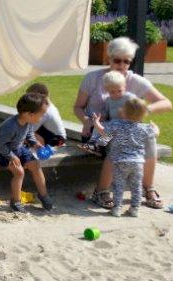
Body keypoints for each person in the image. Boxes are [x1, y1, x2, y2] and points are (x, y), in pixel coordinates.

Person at [73, 37, 172, 209]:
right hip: (97, 133)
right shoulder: (93, 78)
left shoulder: (135, 81)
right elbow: (78, 107)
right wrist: (87, 121)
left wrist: (142, 110)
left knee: (149, 139)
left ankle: (148, 188)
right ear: (108, 59)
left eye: (127, 61)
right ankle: (101, 191)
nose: (122, 65)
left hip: (125, 130)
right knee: (119, 141)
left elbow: (166, 103)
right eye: (117, 60)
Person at [91, 97, 159, 217]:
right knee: (136, 187)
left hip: (120, 161)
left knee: (119, 185)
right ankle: (134, 209)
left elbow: (103, 132)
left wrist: (96, 122)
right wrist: (155, 127)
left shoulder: (116, 125)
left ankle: (117, 208)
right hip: (138, 163)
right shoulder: (145, 128)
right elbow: (156, 133)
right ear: (143, 115)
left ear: (123, 112)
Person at [0, 92, 54, 212]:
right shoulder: (10, 126)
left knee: (36, 165)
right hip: (4, 151)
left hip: (19, 148)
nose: (42, 118)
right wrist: (10, 156)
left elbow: (29, 135)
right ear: (30, 114)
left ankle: (43, 195)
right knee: (19, 172)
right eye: (41, 115)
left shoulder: (28, 122)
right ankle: (15, 201)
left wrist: (35, 144)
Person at [78, 71, 138, 156]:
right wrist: (101, 118)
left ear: (124, 86)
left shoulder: (129, 98)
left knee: (110, 130)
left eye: (119, 91)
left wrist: (127, 115)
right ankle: (94, 144)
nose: (116, 94)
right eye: (112, 92)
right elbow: (107, 114)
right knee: (99, 125)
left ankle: (98, 145)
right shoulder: (109, 100)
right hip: (114, 124)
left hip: (128, 126)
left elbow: (138, 112)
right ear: (107, 90)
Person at [26, 83, 66, 147]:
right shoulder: (49, 105)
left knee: (27, 132)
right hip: (59, 138)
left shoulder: (45, 111)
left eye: (31, 97)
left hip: (56, 140)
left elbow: (28, 131)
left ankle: (39, 150)